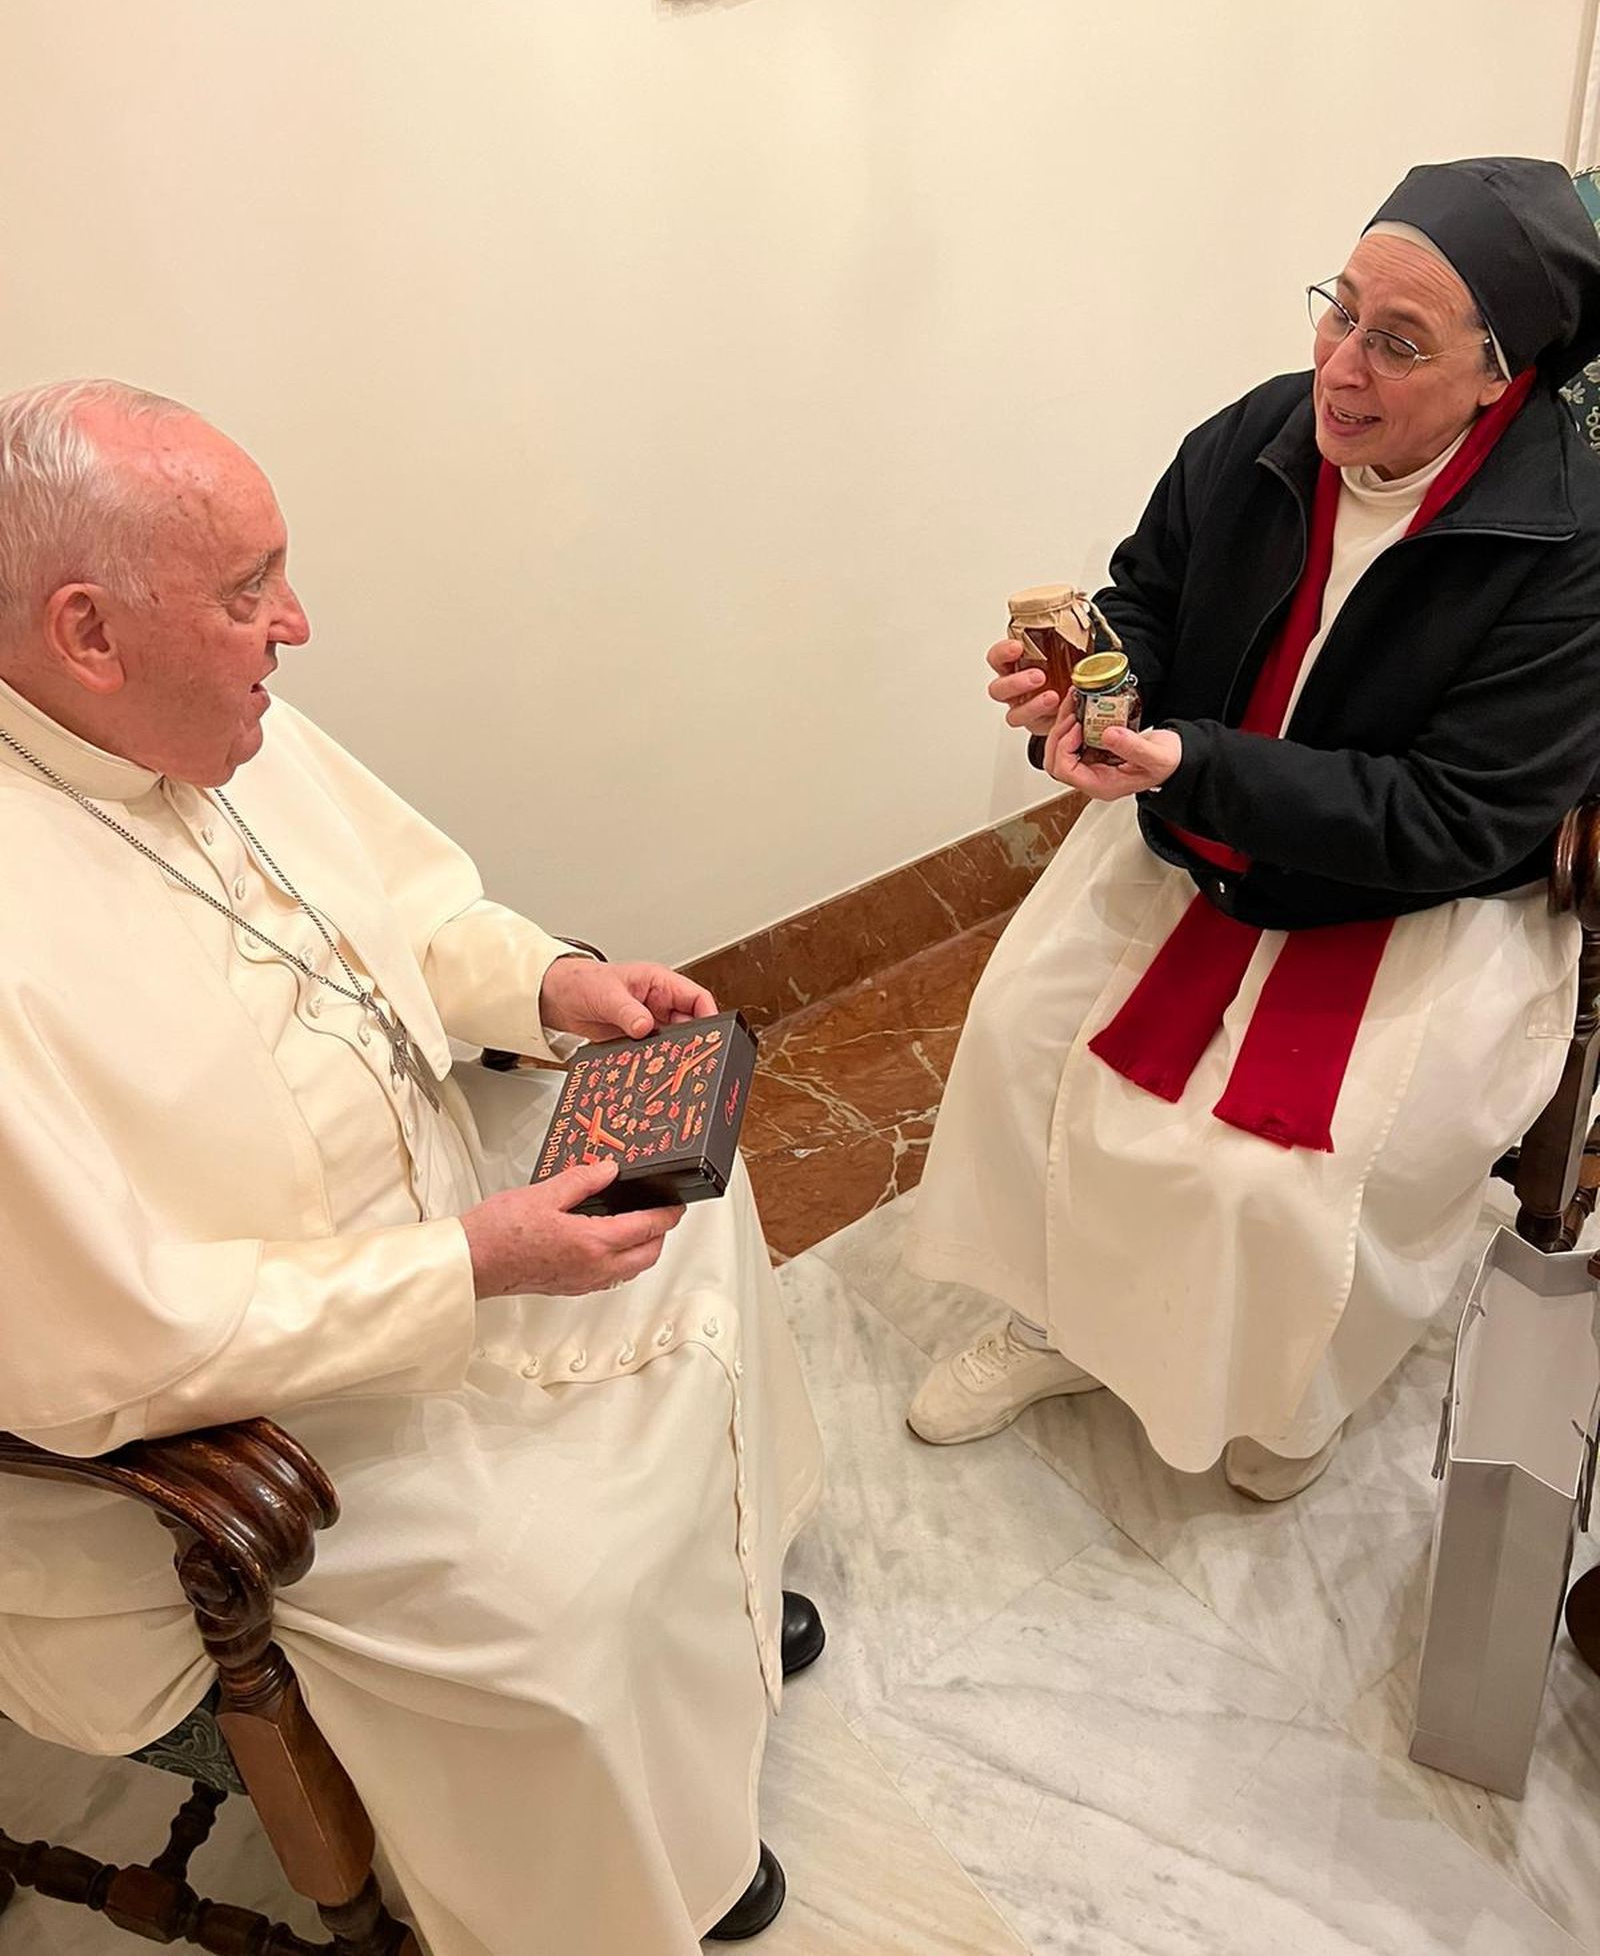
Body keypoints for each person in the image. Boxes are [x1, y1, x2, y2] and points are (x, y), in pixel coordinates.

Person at [0, 380, 824, 1955]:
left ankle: (707, 1637)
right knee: (546, 1609)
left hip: (434, 1234)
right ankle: (632, 1867)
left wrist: (545, 985)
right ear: (89, 636)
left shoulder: (213, 712)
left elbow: (412, 909)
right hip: (259, 1421)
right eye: (250, 592)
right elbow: (116, 1333)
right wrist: (473, 1266)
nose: (293, 626)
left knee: (698, 1226)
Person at [906, 157, 1600, 1501]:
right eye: (1336, 309)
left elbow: (1452, 815)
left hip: (1412, 897)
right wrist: (1091, 675)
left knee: (1266, 1184)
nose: (1338, 367)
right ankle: (1062, 1320)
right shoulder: (1265, 433)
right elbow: (1148, 593)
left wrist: (1191, 761)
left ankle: (1288, 1391)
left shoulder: (1570, 549)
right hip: (1200, 826)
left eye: (1396, 343)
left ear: (1497, 376)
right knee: (1025, 1042)